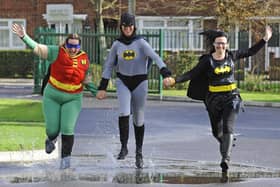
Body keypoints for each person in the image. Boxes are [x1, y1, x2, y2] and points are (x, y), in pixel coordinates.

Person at [167, 26, 272, 182]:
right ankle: (226, 143)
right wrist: (175, 80)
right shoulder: (207, 61)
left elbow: (250, 52)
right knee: (217, 133)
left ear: (227, 45)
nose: (221, 46)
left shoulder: (232, 56)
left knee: (228, 127)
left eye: (223, 43)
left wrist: (265, 39)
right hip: (214, 100)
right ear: (214, 45)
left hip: (231, 98)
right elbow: (191, 73)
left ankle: (225, 159)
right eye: (218, 44)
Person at [12, 23, 97, 169]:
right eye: (70, 46)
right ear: (66, 44)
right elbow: (38, 48)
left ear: (80, 47)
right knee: (52, 129)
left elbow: (86, 79)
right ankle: (51, 139)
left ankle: (65, 162)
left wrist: (98, 91)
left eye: (76, 47)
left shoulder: (84, 59)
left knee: (67, 128)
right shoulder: (55, 52)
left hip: (73, 97)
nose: (73, 49)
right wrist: (24, 37)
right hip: (53, 95)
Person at [96, 12, 172, 169]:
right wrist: (102, 87)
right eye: (125, 26)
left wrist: (165, 73)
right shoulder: (117, 45)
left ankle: (139, 152)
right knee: (123, 112)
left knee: (138, 119)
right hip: (123, 80)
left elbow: (156, 57)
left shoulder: (142, 43)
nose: (128, 29)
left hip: (140, 82)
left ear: (134, 27)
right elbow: (109, 65)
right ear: (121, 27)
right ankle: (124, 147)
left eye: (130, 26)